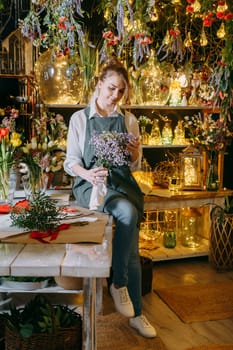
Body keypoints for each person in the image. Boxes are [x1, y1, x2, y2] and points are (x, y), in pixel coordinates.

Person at [64, 58, 156, 338]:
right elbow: (70, 162)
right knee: (127, 214)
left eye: (121, 91)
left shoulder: (129, 120)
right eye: (111, 89)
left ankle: (134, 311)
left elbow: (134, 165)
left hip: (121, 184)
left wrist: (134, 153)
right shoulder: (80, 119)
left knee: (131, 252)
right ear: (99, 84)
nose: (115, 96)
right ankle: (118, 287)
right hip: (91, 186)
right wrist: (88, 174)